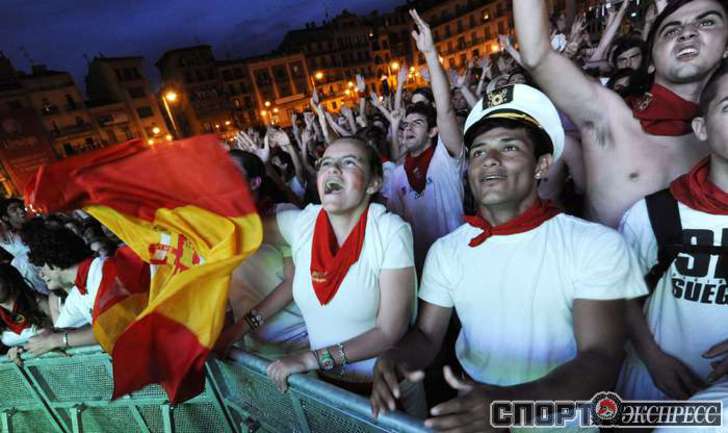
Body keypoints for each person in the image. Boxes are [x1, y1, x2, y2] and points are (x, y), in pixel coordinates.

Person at [370, 85, 648, 431]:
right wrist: (395, 357)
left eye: (509, 147)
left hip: (560, 423)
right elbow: (427, 335)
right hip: (475, 417)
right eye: (478, 152)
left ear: (542, 165)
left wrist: (508, 406)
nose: (489, 159)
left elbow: (601, 358)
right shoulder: (447, 251)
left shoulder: (594, 244)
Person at [217, 137, 416, 397]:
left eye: (349, 162)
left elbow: (389, 331)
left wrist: (310, 359)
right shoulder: (302, 224)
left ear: (373, 183)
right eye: (326, 163)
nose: (333, 169)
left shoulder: (390, 231)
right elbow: (230, 229)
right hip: (328, 388)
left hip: (385, 391)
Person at [514, 0, 728, 227]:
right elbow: (537, 56)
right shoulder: (609, 116)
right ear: (651, 60)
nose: (687, 33)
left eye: (706, 22)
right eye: (671, 31)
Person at [617, 61, 728, 428]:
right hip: (652, 391)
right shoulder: (654, 213)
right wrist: (652, 357)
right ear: (701, 128)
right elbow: (617, 294)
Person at [384, 10, 465, 272]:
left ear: (433, 132)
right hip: (423, 271)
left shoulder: (446, 157)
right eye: (405, 125)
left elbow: (446, 110)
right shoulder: (398, 175)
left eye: (416, 124)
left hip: (460, 263)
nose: (407, 128)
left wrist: (430, 54)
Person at [226, 149, 309, 359]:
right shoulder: (220, 228)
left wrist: (237, 330)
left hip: (300, 339)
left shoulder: (281, 214)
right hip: (255, 348)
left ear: (254, 182)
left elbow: (293, 283)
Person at [22, 224, 99, 356]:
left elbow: (113, 327)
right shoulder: (77, 293)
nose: (41, 274)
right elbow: (60, 329)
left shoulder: (101, 270)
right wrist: (23, 349)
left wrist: (56, 340)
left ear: (52, 263)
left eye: (42, 266)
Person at [0, 264, 51, 361]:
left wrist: (23, 349)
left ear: (9, 281)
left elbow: (60, 332)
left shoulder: (39, 302)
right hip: (24, 368)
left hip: (54, 361)